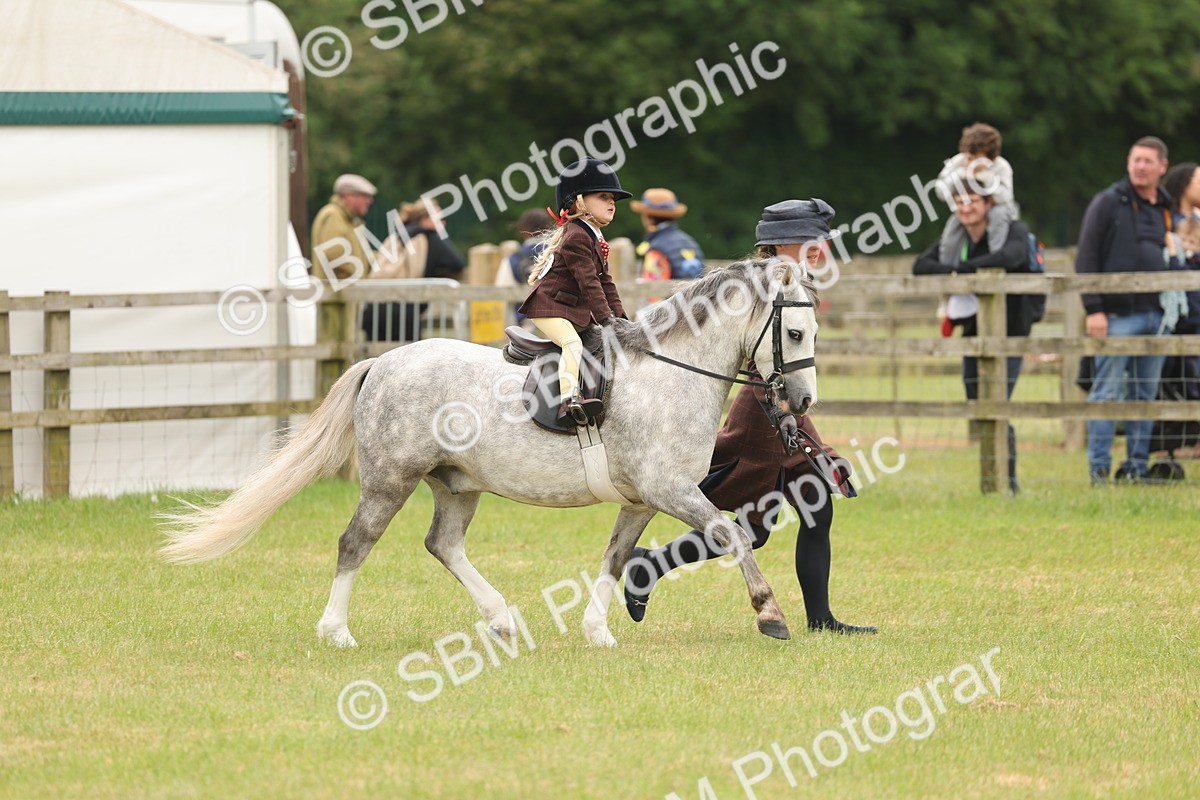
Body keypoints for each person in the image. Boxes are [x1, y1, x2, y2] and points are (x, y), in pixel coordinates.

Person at [622, 199, 876, 635]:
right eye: (812, 243)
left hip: (777, 402)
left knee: (813, 504)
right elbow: (755, 355)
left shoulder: (794, 282)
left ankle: (820, 619)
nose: (822, 250)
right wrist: (792, 421)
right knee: (758, 525)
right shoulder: (762, 288)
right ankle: (650, 566)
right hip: (764, 405)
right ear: (781, 246)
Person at [914, 170, 1037, 494]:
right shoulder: (956, 236)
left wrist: (961, 271)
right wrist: (958, 270)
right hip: (973, 331)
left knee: (997, 402)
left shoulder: (1013, 228)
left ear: (988, 202)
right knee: (977, 401)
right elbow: (921, 265)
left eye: (972, 200)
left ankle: (1007, 482)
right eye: (959, 201)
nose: (966, 207)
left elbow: (1010, 257)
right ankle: (991, 477)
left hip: (1010, 330)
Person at [1076, 136, 1174, 483]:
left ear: (1162, 167)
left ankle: (1135, 468)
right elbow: (1086, 256)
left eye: (1148, 161)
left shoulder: (1165, 208)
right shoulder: (1108, 203)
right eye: (1135, 160)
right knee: (1107, 392)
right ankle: (1099, 471)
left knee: (1145, 394)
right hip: (1117, 316)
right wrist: (1094, 308)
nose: (1140, 166)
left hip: (1157, 315)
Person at [517, 157, 630, 424]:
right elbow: (589, 284)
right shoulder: (578, 236)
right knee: (572, 343)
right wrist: (606, 320)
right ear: (579, 201)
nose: (612, 202)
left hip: (569, 309)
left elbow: (606, 282)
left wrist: (622, 320)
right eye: (603, 196)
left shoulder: (593, 236)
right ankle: (569, 401)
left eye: (613, 198)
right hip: (549, 307)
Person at [935, 123, 1018, 336]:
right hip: (967, 211)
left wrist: (984, 178)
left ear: (991, 158)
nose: (970, 163)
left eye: (976, 159)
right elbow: (940, 191)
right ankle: (947, 296)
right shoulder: (957, 163)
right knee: (948, 241)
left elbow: (1005, 198)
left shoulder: (1002, 168)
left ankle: (994, 266)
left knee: (999, 216)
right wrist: (960, 178)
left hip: (995, 213)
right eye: (968, 158)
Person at [361, 198, 466, 342]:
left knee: (376, 361)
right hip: (405, 314)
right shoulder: (430, 238)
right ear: (425, 219)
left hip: (374, 311)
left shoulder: (395, 237)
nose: (444, 224)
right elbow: (458, 263)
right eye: (439, 219)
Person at [311, 174, 377, 281]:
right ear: (349, 196)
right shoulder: (333, 215)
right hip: (335, 296)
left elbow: (361, 257)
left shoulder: (350, 220)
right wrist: (358, 275)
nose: (369, 201)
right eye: (365, 196)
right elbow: (333, 253)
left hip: (345, 295)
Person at [632, 188, 705, 281]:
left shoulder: (657, 248)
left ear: (648, 217)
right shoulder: (691, 243)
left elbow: (652, 290)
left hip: (672, 295)